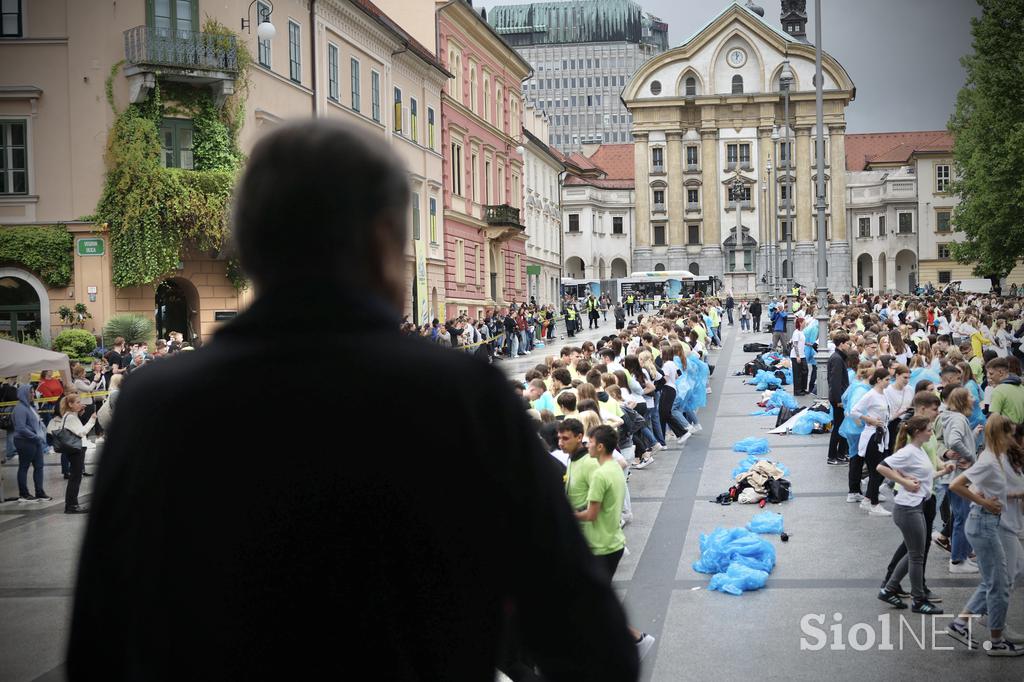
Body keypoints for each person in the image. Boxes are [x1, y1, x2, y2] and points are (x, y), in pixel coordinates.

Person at [68, 120, 639, 680]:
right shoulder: (462, 398)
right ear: (384, 240)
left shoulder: (158, 404)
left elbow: (102, 643)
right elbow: (591, 640)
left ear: (247, 244)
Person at [574, 425, 656, 662]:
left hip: (602, 545)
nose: (585, 445)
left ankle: (634, 640)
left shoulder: (600, 474)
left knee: (594, 603)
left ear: (600, 446)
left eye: (588, 442)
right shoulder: (613, 468)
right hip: (611, 541)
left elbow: (591, 514)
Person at [946, 415, 1024, 655]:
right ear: (1000, 435)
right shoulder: (989, 460)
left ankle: (974, 625)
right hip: (984, 523)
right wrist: (985, 503)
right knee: (998, 583)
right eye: (1010, 434)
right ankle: (994, 638)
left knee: (1000, 580)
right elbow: (956, 485)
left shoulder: (996, 459)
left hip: (989, 522)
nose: (1014, 438)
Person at [876, 415, 956, 613]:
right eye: (929, 429)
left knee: (914, 554)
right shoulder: (908, 452)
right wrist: (904, 482)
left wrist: (943, 472)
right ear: (918, 432)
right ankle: (918, 600)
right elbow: (881, 467)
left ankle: (889, 589)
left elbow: (923, 478)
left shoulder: (918, 451)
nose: (932, 433)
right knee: (917, 556)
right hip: (908, 509)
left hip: (915, 506)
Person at [939, 386, 982, 574]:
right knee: (961, 517)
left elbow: (953, 441)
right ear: (963, 401)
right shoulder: (958, 419)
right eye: (970, 396)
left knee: (960, 516)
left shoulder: (952, 417)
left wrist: (972, 437)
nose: (973, 398)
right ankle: (957, 560)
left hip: (955, 475)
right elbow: (955, 441)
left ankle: (962, 556)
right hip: (958, 476)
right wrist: (970, 457)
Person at [850, 368, 893, 516]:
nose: (889, 382)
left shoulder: (884, 394)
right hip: (872, 438)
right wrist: (870, 420)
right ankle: (873, 503)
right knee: (877, 471)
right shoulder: (870, 395)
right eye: (887, 379)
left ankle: (868, 499)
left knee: (880, 470)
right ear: (879, 380)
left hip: (881, 436)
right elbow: (854, 411)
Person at [48, 393, 96, 514]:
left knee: (75, 477)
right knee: (75, 478)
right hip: (76, 450)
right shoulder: (70, 417)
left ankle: (71, 504)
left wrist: (79, 413)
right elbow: (81, 432)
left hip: (73, 449)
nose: (80, 404)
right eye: (77, 402)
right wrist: (92, 420)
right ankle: (72, 505)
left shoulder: (68, 415)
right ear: (70, 404)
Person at [11, 384, 50, 503]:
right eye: (31, 392)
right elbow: (21, 428)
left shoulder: (30, 407)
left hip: (35, 441)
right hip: (25, 441)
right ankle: (24, 493)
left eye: (33, 392)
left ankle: (40, 491)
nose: (33, 394)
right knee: (24, 466)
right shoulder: (20, 409)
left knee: (39, 467)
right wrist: (35, 436)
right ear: (24, 393)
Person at [828, 333, 852, 466]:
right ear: (841, 344)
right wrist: (838, 400)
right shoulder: (837, 359)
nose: (849, 346)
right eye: (848, 343)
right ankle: (832, 455)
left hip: (840, 397)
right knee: (838, 427)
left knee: (842, 426)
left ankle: (841, 454)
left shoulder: (839, 357)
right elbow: (835, 381)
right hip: (839, 399)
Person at [790, 317, 807, 396]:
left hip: (802, 355)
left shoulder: (801, 332)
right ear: (800, 323)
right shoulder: (796, 333)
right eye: (804, 322)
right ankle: (797, 390)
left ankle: (803, 388)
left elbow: (802, 342)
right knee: (798, 373)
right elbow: (795, 344)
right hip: (796, 355)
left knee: (804, 371)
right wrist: (797, 356)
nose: (805, 323)